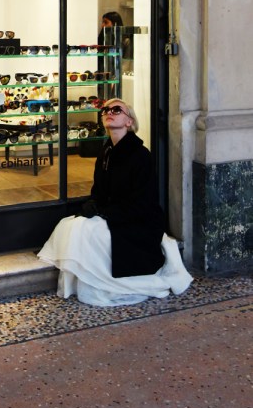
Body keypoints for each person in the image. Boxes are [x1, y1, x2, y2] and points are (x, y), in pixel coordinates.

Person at [38, 98, 193, 306]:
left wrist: (105, 212)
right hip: (113, 214)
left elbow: (142, 202)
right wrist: (94, 204)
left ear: (129, 121)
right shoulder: (106, 152)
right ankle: (84, 282)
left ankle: (97, 282)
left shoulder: (140, 155)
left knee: (85, 231)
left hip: (137, 222)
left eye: (117, 109)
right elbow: (99, 191)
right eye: (105, 110)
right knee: (70, 225)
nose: (109, 112)